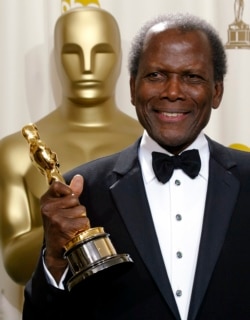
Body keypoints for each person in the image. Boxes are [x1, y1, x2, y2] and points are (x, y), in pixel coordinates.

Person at [22, 11, 250, 320]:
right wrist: (54, 260)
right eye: (155, 75)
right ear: (132, 88)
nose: (172, 91)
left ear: (217, 91)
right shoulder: (81, 191)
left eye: (192, 77)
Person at [0, 6, 142, 286]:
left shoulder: (153, 143)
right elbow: (14, 265)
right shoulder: (16, 151)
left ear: (120, 57)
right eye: (72, 52)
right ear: (56, 58)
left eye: (100, 51)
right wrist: (57, 232)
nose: (87, 65)